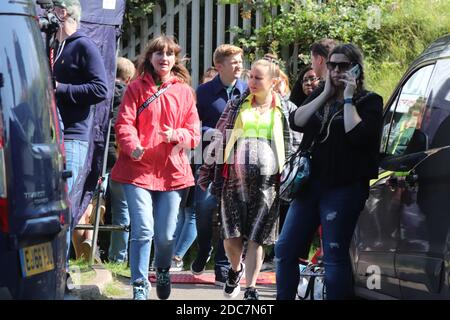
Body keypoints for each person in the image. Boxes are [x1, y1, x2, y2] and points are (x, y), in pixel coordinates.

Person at [275, 43, 383, 299]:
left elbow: (356, 135)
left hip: (344, 188)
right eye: (332, 65)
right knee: (285, 249)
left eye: (342, 66)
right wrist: (325, 94)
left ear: (356, 68)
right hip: (310, 187)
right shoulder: (320, 95)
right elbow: (297, 121)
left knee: (334, 254)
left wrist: (347, 98)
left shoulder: (369, 101)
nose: (335, 70)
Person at [111, 35, 200, 300]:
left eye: (169, 54)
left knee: (164, 235)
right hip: (136, 170)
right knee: (143, 229)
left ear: (175, 60)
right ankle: (140, 285)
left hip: (172, 173)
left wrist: (177, 134)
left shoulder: (184, 91)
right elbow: (124, 123)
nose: (164, 58)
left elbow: (194, 133)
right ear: (149, 58)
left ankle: (161, 269)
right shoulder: (135, 88)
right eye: (159, 53)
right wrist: (132, 144)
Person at [198, 56, 295, 300]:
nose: (251, 81)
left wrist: (292, 175)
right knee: (231, 237)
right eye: (250, 76)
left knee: (256, 237)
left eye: (258, 78)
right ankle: (235, 269)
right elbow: (220, 137)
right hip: (233, 182)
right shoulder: (237, 105)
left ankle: (250, 288)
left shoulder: (285, 109)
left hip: (269, 185)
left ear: (273, 82)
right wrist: (207, 169)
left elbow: (294, 143)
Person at [51, 0, 108, 265]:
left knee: (64, 204)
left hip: (73, 136)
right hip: (51, 134)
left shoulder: (84, 45)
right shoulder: (55, 46)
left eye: (51, 9)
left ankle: (60, 273)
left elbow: (101, 89)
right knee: (52, 205)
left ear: (62, 12)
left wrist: (61, 88)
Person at [192, 44, 247, 285]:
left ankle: (223, 265)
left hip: (237, 164)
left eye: (240, 61)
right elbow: (192, 124)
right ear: (219, 66)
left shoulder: (247, 91)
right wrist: (211, 132)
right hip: (209, 161)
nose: (239, 66)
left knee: (231, 216)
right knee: (203, 209)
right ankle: (204, 249)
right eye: (233, 62)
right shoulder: (203, 92)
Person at [171, 67, 220, 271]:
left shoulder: (223, 100)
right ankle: (176, 256)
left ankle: (177, 256)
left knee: (192, 212)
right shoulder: (195, 98)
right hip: (191, 158)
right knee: (185, 211)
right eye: (207, 81)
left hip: (205, 158)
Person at [107, 57, 135, 263]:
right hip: (120, 156)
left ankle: (84, 248)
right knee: (121, 209)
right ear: (129, 77)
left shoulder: (101, 91)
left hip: (98, 155)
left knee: (89, 202)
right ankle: (117, 257)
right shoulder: (130, 95)